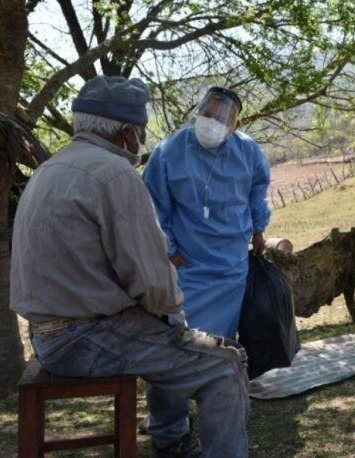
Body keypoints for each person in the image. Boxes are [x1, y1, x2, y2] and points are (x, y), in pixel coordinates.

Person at [10, 76, 250, 457]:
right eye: (139, 131)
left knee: (185, 349)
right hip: (87, 337)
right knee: (225, 362)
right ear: (126, 132)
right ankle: (178, 443)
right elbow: (153, 281)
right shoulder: (114, 174)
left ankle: (171, 441)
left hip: (45, 336)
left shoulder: (49, 169)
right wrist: (176, 321)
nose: (141, 139)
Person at [142, 86, 271, 443]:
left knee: (220, 351)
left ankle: (217, 422)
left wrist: (259, 232)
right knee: (174, 350)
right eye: (208, 112)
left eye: (222, 117)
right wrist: (167, 249)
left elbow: (257, 193)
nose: (212, 122)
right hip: (187, 270)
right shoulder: (169, 151)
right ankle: (168, 429)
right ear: (197, 110)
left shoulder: (247, 151)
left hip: (230, 271)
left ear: (234, 124)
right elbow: (153, 204)